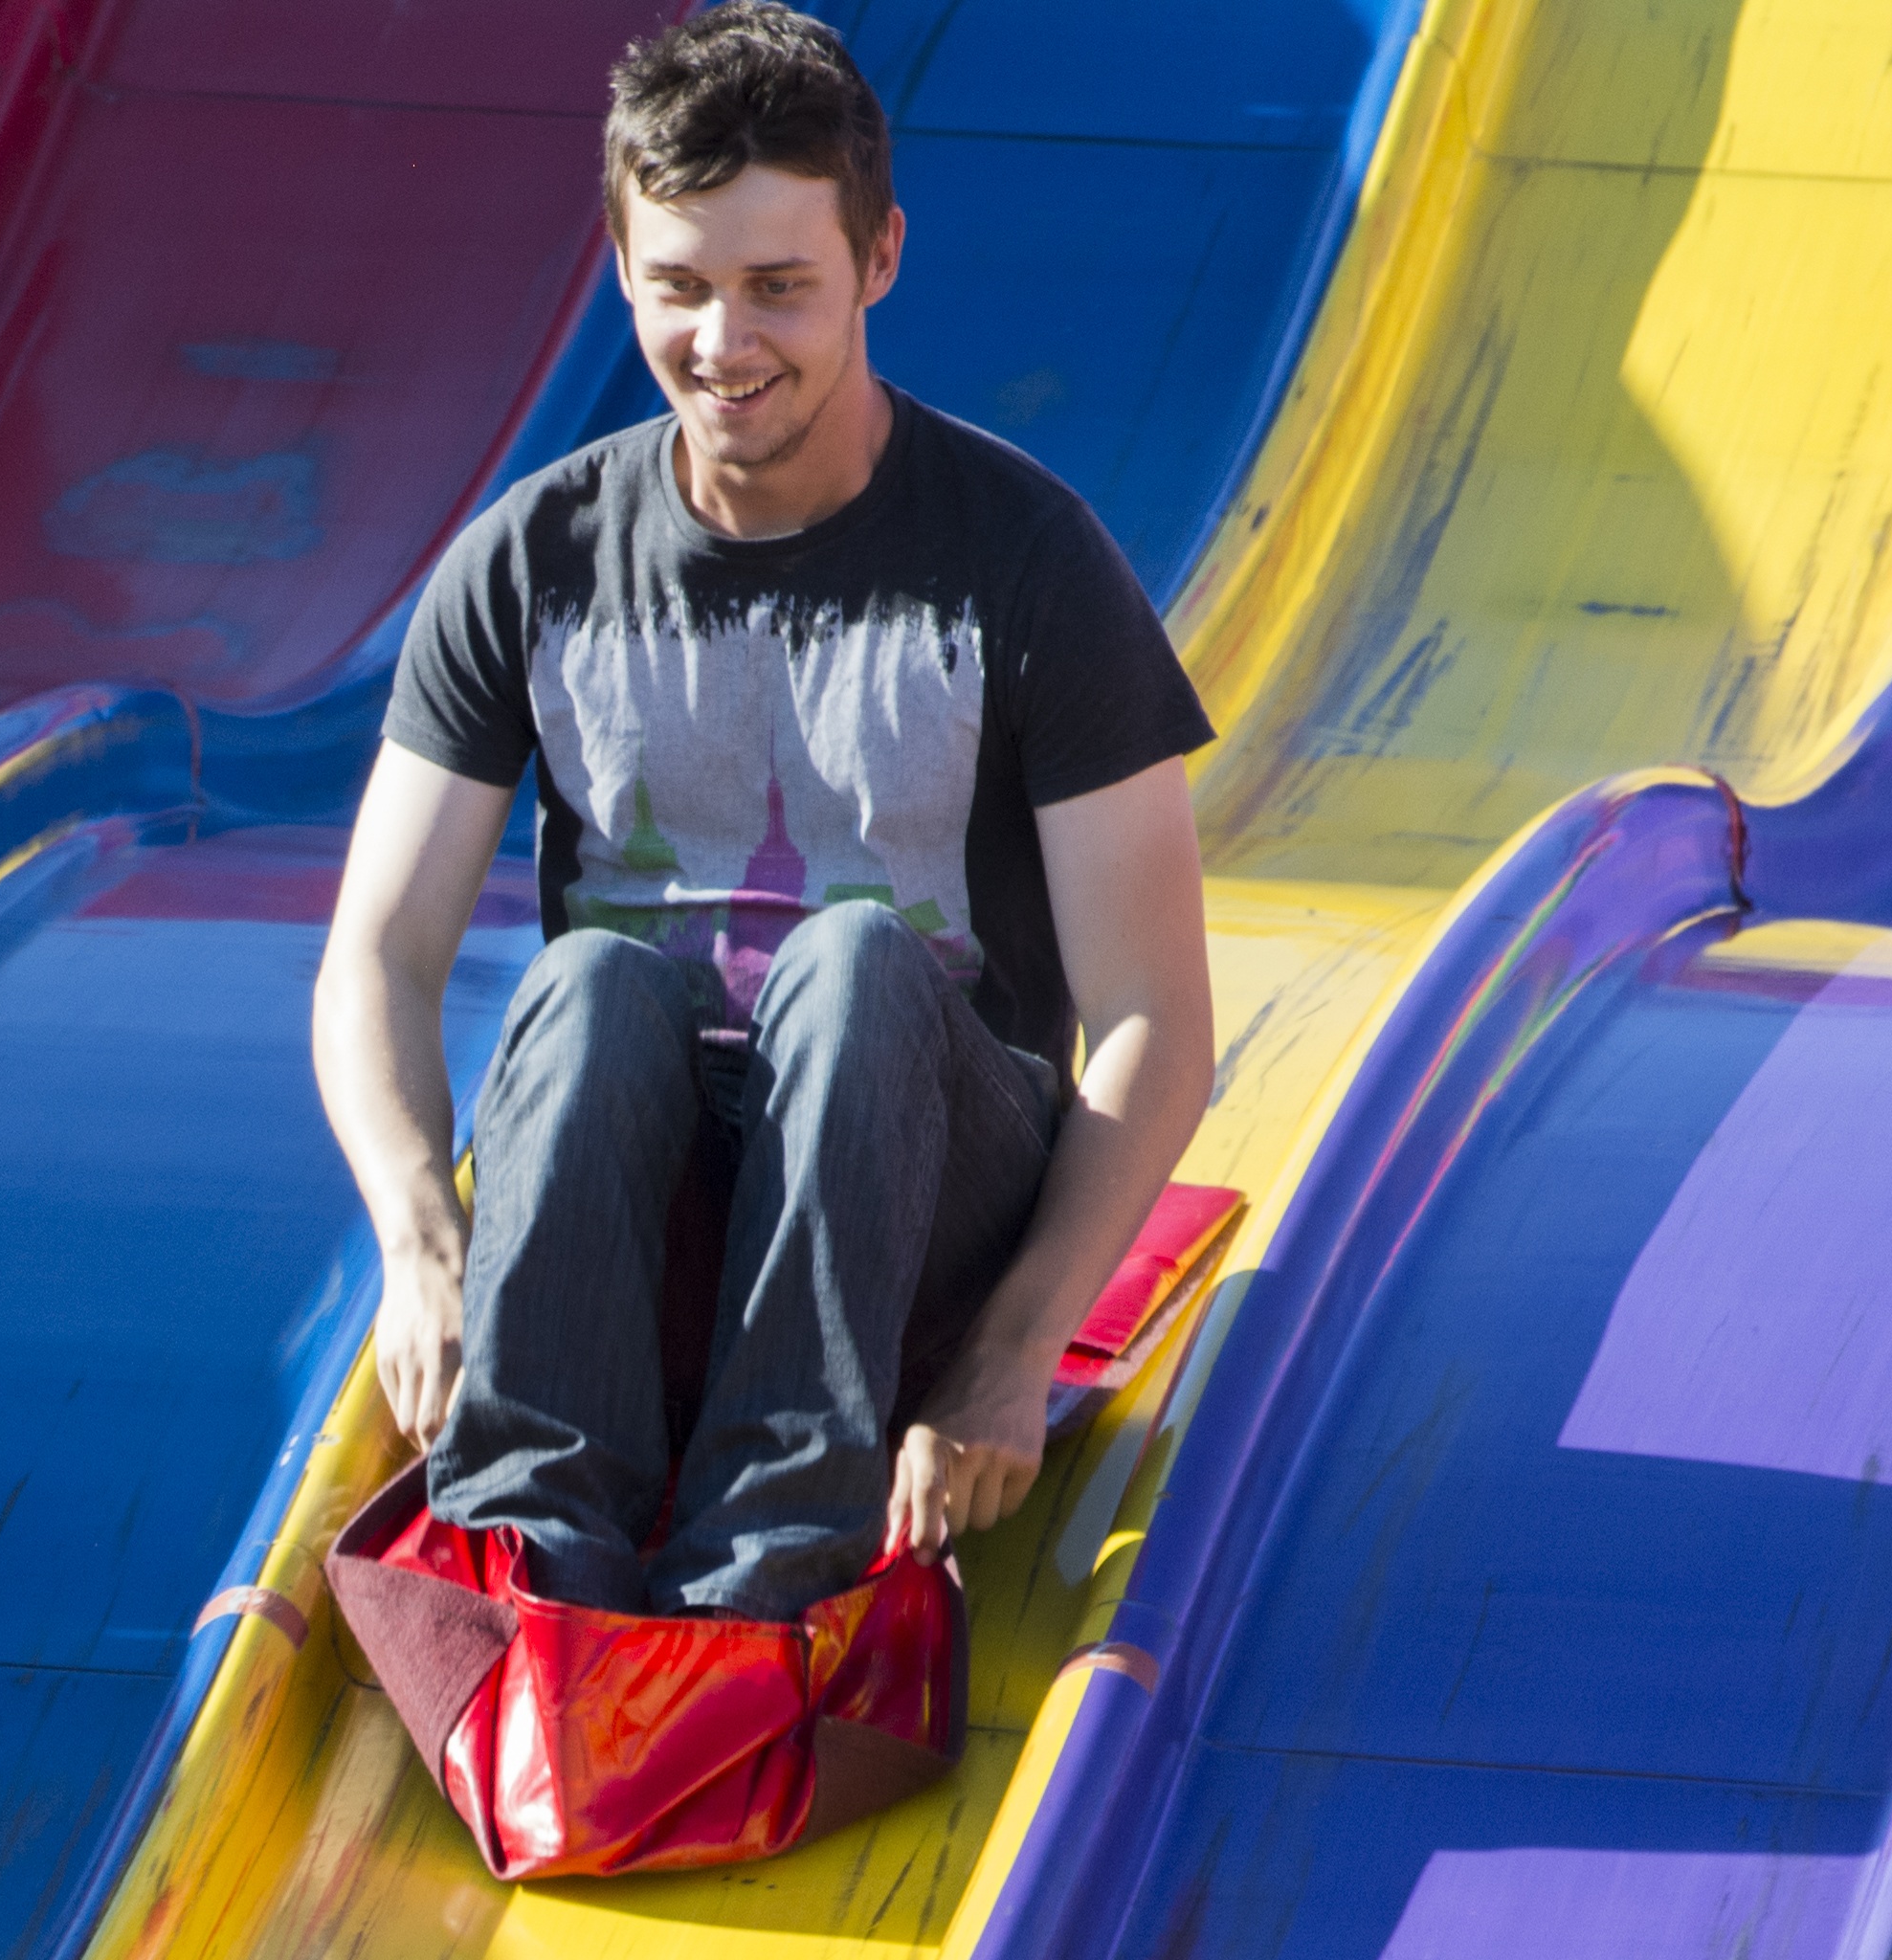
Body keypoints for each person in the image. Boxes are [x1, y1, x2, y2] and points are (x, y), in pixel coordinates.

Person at [314, 3, 1215, 1619]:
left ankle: (770, 1547)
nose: (724, 342)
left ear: (879, 258)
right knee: (586, 981)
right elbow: (376, 956)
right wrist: (416, 1238)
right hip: (645, 1201)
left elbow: (1156, 1011)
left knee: (861, 963)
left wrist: (1015, 1354)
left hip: (923, 1192)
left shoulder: (1024, 562)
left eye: (777, 286)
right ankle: (543, 1539)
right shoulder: (537, 561)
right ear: (619, 263)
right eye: (679, 286)